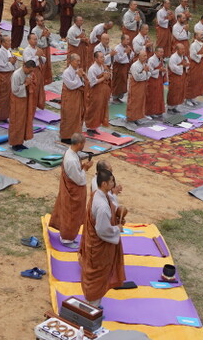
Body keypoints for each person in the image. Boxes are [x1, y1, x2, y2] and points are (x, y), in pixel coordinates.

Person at [79, 168, 127, 308]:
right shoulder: (102, 207)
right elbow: (102, 230)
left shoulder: (99, 194)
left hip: (95, 241)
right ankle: (92, 306)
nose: (114, 183)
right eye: (112, 181)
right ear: (104, 184)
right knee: (98, 275)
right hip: (99, 245)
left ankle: (93, 302)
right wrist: (117, 228)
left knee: (97, 275)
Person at [49, 133, 92, 248]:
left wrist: (81, 168)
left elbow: (74, 173)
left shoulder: (71, 153)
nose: (84, 146)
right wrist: (86, 169)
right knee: (72, 214)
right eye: (83, 144)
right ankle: (66, 239)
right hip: (73, 192)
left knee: (68, 212)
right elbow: (79, 180)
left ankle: (66, 235)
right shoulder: (72, 159)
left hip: (68, 188)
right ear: (79, 144)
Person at [8, 59, 38, 150]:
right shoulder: (16, 75)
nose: (31, 72)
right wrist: (25, 84)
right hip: (17, 100)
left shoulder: (28, 73)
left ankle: (20, 142)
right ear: (25, 67)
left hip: (25, 99)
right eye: (30, 70)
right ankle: (14, 143)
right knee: (17, 121)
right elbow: (15, 90)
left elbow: (32, 83)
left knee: (23, 121)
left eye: (32, 70)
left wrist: (30, 82)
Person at [60, 54, 87, 143]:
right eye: (77, 61)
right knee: (68, 116)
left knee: (76, 116)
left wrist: (83, 76)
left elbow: (84, 83)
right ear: (71, 62)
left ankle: (74, 135)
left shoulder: (77, 70)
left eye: (79, 61)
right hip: (69, 97)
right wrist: (78, 76)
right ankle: (65, 137)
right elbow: (71, 86)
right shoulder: (66, 72)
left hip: (77, 97)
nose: (79, 63)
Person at [84, 51, 111, 134]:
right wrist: (104, 78)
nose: (103, 59)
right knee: (93, 108)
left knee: (100, 108)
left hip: (102, 92)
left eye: (103, 57)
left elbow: (105, 76)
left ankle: (95, 127)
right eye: (101, 57)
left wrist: (107, 75)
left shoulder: (102, 67)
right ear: (95, 59)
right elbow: (92, 83)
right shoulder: (92, 69)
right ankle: (90, 127)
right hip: (95, 92)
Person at [0, 35, 16, 122]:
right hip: (3, 76)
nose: (10, 43)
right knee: (2, 97)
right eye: (8, 41)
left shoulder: (9, 51)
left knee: (8, 97)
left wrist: (13, 62)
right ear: (3, 43)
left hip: (10, 75)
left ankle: (6, 115)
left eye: (10, 41)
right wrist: (10, 63)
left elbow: (12, 63)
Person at [166, 43, 189, 113]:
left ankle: (175, 107)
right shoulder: (173, 57)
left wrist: (186, 66)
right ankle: (170, 108)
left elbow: (187, 63)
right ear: (177, 50)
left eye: (184, 49)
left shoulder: (184, 57)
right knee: (174, 92)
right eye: (181, 49)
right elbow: (173, 68)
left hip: (182, 76)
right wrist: (182, 66)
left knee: (180, 91)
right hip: (175, 77)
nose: (183, 51)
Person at [146, 47, 166, 118]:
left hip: (159, 79)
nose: (162, 54)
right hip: (152, 80)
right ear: (156, 52)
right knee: (152, 96)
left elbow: (162, 68)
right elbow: (150, 72)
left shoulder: (160, 59)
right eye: (160, 52)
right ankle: (148, 112)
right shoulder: (151, 60)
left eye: (163, 52)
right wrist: (159, 70)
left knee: (159, 95)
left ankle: (157, 111)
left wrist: (163, 70)